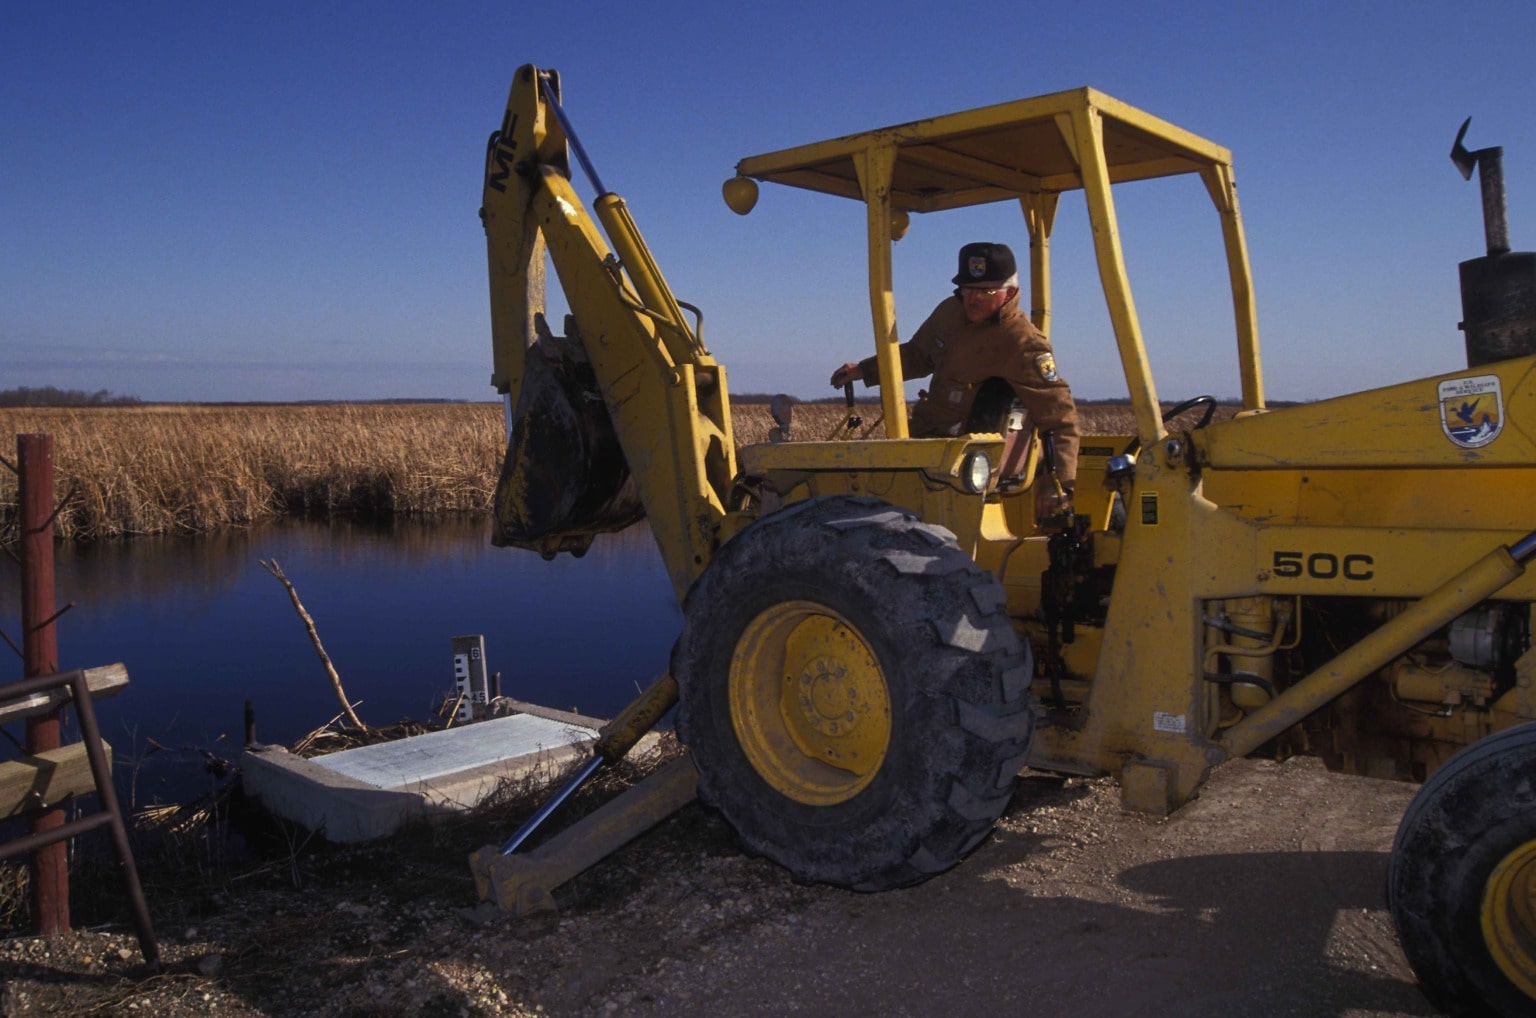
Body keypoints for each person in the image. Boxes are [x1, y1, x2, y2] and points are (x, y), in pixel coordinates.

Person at [830, 241, 1080, 517]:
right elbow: (915, 355)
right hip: (923, 443)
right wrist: (865, 370)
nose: (972, 298)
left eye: (985, 291)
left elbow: (1060, 419)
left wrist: (1058, 485)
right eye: (967, 288)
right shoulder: (950, 312)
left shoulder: (1023, 343)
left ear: (1009, 292)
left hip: (961, 464)